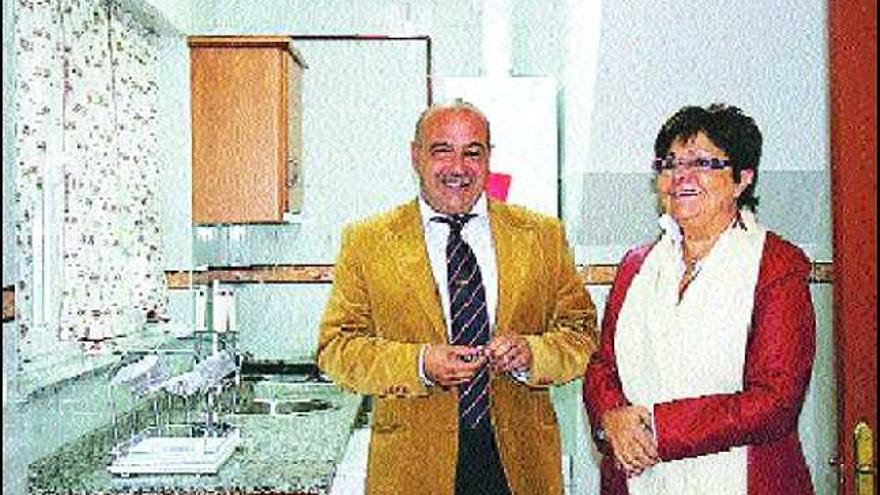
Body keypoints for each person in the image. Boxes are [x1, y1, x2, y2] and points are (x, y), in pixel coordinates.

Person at [318, 100, 597, 495]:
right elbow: (337, 348)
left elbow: (582, 333)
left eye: (472, 152)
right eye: (441, 150)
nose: (458, 167)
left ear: (488, 159)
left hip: (521, 466)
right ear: (416, 156)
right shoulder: (367, 242)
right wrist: (418, 363)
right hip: (412, 470)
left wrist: (532, 353)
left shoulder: (542, 236)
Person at [583, 103, 816, 495]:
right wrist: (611, 418)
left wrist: (658, 428)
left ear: (742, 179)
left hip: (742, 481)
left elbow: (776, 402)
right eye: (670, 164)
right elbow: (603, 366)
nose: (681, 177)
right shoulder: (636, 266)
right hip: (641, 482)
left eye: (703, 163)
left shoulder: (777, 265)